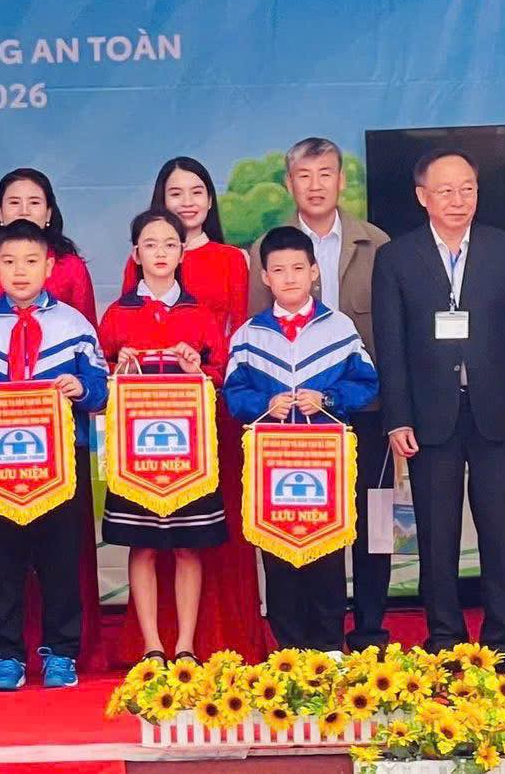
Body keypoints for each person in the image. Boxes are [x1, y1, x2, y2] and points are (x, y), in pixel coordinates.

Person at [373, 150, 505, 675]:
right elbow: (390, 344)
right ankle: (445, 640)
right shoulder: (396, 257)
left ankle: (503, 643)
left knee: (498, 533)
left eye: (467, 188)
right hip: (429, 417)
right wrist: (397, 417)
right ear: (422, 196)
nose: (458, 200)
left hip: (496, 413)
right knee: (436, 534)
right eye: (445, 190)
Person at [0, 219, 107, 692]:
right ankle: (7, 655)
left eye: (31, 261)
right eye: (9, 262)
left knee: (61, 560)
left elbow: (101, 389)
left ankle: (62, 652)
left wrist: (82, 387)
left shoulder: (74, 326)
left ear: (49, 266)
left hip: (61, 462)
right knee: (2, 563)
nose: (20, 271)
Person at [246, 137, 395, 651]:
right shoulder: (267, 247)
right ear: (290, 183)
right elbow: (256, 330)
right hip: (293, 427)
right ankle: (305, 636)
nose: (315, 185)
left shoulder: (376, 244)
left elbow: (394, 334)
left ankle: (370, 628)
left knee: (374, 519)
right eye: (304, 176)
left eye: (325, 173)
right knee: (301, 520)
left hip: (366, 410)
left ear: (341, 180)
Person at [118, 156, 266, 665]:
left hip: (214, 409)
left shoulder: (232, 259)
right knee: (153, 529)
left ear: (210, 199)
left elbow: (238, 336)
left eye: (197, 191)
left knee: (212, 529)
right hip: (151, 418)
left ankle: (224, 636)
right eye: (175, 192)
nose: (187, 202)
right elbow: (124, 336)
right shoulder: (142, 257)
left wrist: (213, 379)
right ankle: (155, 642)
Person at [225, 226, 380, 653]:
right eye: (278, 270)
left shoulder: (339, 328)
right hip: (271, 462)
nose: (289, 277)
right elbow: (233, 394)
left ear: (314, 272)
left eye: (298, 268)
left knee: (327, 549)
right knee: (278, 551)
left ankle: (329, 644)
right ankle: (288, 648)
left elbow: (367, 383)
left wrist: (328, 398)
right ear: (265, 277)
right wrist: (265, 403)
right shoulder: (249, 335)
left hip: (325, 459)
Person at [98, 209, 230, 661]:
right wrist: (119, 368)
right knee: (144, 545)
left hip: (189, 450)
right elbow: (98, 374)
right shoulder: (117, 314)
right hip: (135, 452)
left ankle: (186, 644)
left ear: (182, 253)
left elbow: (221, 373)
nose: (160, 252)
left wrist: (197, 370)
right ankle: (152, 645)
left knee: (190, 547)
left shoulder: (200, 313)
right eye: (150, 244)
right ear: (136, 254)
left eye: (170, 244)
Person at [0, 169, 98, 321]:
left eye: (34, 202)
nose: (24, 211)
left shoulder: (72, 268)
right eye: (14, 202)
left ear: (48, 214)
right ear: (0, 213)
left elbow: (87, 331)